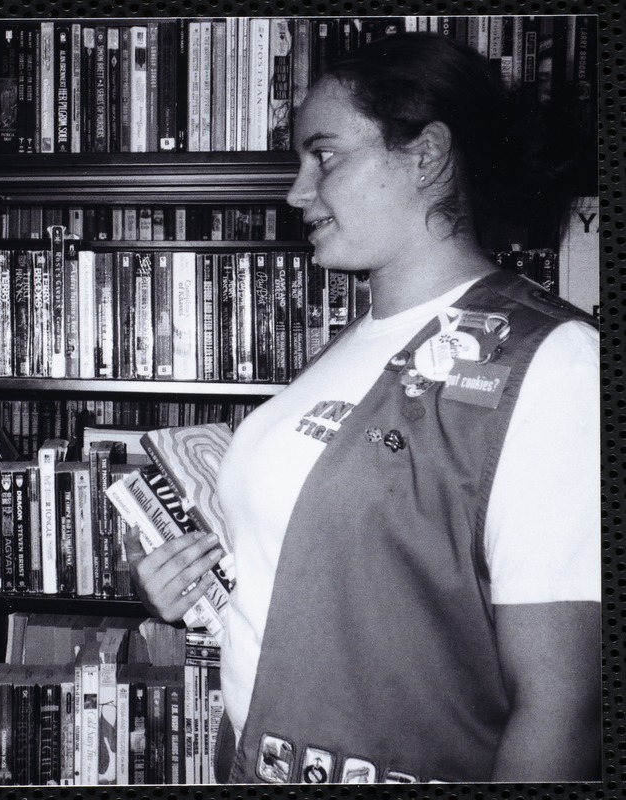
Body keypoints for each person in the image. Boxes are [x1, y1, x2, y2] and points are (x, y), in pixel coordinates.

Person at [128, 32, 599, 783]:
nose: (295, 192)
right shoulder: (347, 351)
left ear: (426, 155)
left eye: (326, 155)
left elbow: (562, 710)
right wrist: (177, 583)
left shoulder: (556, 363)